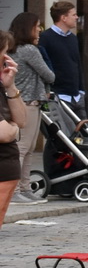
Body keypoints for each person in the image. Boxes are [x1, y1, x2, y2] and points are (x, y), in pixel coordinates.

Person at [7, 13, 52, 203]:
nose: (40, 30)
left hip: (17, 101)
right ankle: (17, 189)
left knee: (26, 148)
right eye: (37, 26)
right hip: (29, 103)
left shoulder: (12, 49)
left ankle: (23, 188)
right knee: (25, 148)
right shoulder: (30, 50)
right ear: (28, 28)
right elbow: (49, 75)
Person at [0, 35, 30, 226]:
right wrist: (13, 128)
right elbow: (3, 134)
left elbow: (21, 121)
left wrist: (10, 86)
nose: (6, 58)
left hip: (6, 166)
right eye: (4, 52)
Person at [39, 1, 83, 117]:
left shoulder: (73, 38)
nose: (77, 17)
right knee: (65, 134)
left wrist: (81, 90)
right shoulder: (45, 38)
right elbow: (42, 66)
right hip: (58, 96)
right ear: (63, 17)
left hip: (77, 97)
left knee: (86, 132)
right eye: (73, 15)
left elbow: (77, 64)